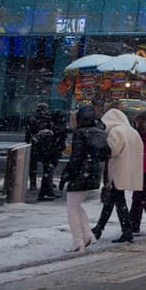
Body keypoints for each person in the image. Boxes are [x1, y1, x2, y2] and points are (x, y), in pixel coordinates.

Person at [58, 105, 110, 253]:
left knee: (72, 209)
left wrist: (67, 175)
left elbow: (76, 157)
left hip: (80, 173)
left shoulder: (80, 133)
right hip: (92, 173)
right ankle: (87, 236)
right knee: (77, 206)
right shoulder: (99, 132)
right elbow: (106, 154)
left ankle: (78, 241)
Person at [92, 108, 144, 243]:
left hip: (117, 172)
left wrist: (100, 147)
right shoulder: (132, 132)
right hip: (128, 171)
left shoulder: (116, 132)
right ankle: (100, 228)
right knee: (113, 202)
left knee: (118, 202)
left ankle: (125, 231)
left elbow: (112, 151)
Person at [32, 108, 68, 201]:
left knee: (48, 172)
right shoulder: (57, 127)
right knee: (48, 172)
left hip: (48, 152)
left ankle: (46, 192)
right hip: (52, 152)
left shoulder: (48, 125)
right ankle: (46, 192)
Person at [24, 103, 54, 193]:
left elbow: (28, 132)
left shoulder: (32, 118)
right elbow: (52, 131)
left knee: (33, 166)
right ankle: (47, 182)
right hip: (45, 145)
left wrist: (27, 142)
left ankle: (33, 184)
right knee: (47, 165)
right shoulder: (48, 118)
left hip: (35, 144)